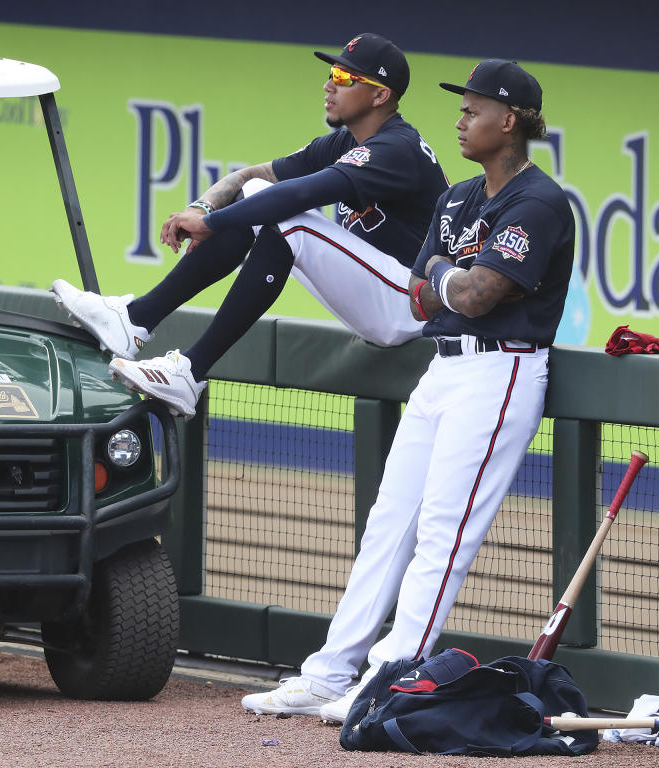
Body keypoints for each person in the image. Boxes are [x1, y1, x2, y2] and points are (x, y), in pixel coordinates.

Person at [240, 58, 575, 724]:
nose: (459, 119)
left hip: (500, 371)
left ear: (508, 122)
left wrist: (451, 277)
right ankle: (330, 672)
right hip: (443, 369)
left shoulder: (539, 201)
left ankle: (389, 676)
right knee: (387, 524)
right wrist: (454, 277)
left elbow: (479, 297)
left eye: (472, 109)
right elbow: (421, 293)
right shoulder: (457, 198)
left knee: (443, 535)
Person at [51, 32, 448, 417]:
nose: (329, 84)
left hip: (412, 305)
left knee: (290, 222)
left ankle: (189, 371)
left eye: (344, 77)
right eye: (331, 73)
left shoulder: (396, 148)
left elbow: (296, 197)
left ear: (380, 95)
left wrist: (213, 222)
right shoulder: (345, 142)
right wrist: (203, 207)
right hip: (383, 290)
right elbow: (254, 177)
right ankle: (135, 319)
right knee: (259, 193)